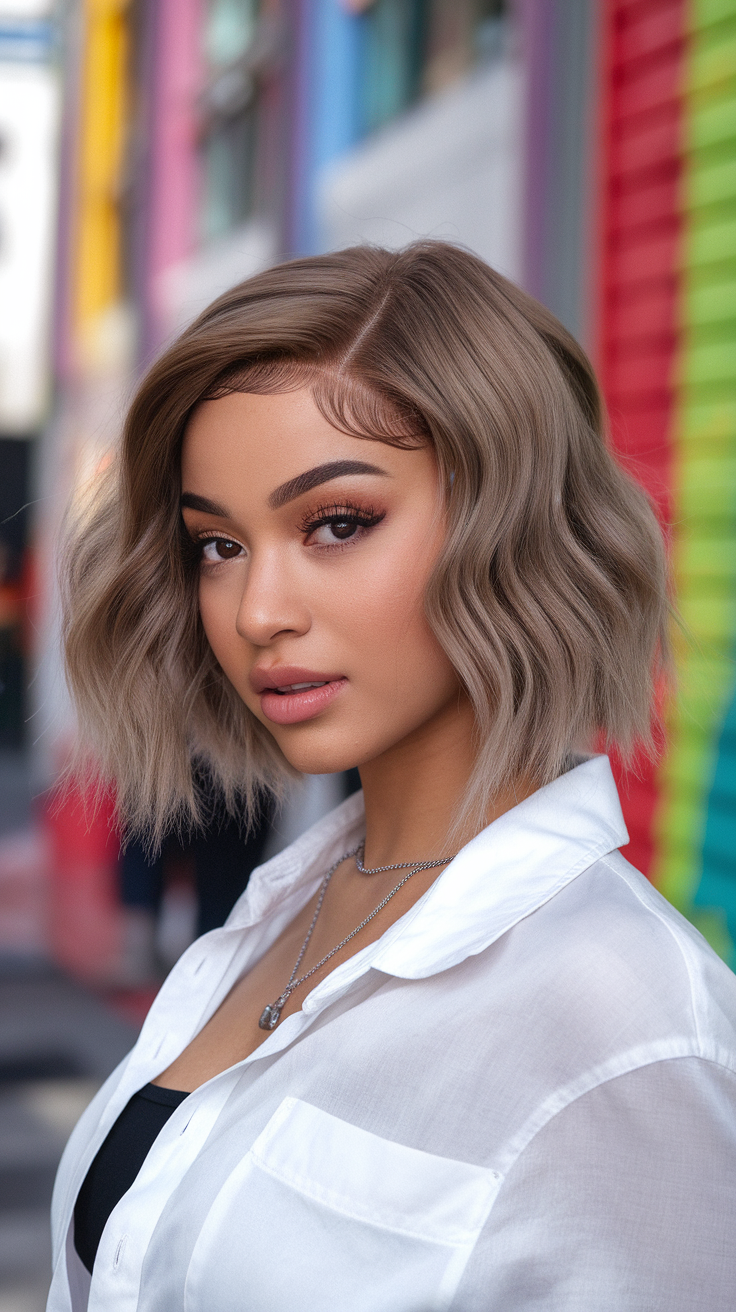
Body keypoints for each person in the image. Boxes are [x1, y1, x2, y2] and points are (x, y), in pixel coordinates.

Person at [49, 243, 736, 1311]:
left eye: (336, 523)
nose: (255, 611)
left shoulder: (624, 1028)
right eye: (217, 544)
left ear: (511, 525)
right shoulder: (282, 910)